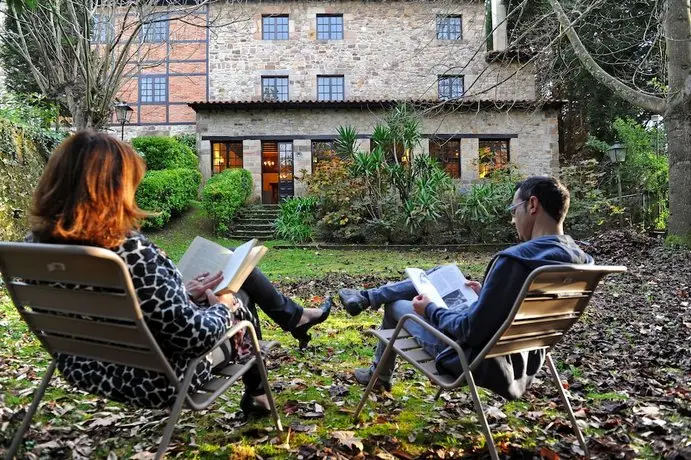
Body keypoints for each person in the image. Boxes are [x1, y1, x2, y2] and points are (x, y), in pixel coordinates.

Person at [27, 130, 331, 416]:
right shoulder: (129, 252)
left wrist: (183, 293)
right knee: (238, 300)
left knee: (235, 285)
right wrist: (224, 310)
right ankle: (261, 387)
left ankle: (273, 363)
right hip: (161, 377)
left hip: (87, 368)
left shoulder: (31, 249)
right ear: (115, 189)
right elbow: (193, 339)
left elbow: (111, 310)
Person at [339, 176, 593, 399]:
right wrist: (487, 295)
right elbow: (524, 309)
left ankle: (378, 374)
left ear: (533, 205)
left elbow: (468, 330)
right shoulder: (580, 260)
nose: (512, 218)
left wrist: (430, 310)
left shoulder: (516, 260)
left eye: (514, 209)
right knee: (438, 274)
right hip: (523, 355)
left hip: (471, 357)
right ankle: (365, 298)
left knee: (397, 306)